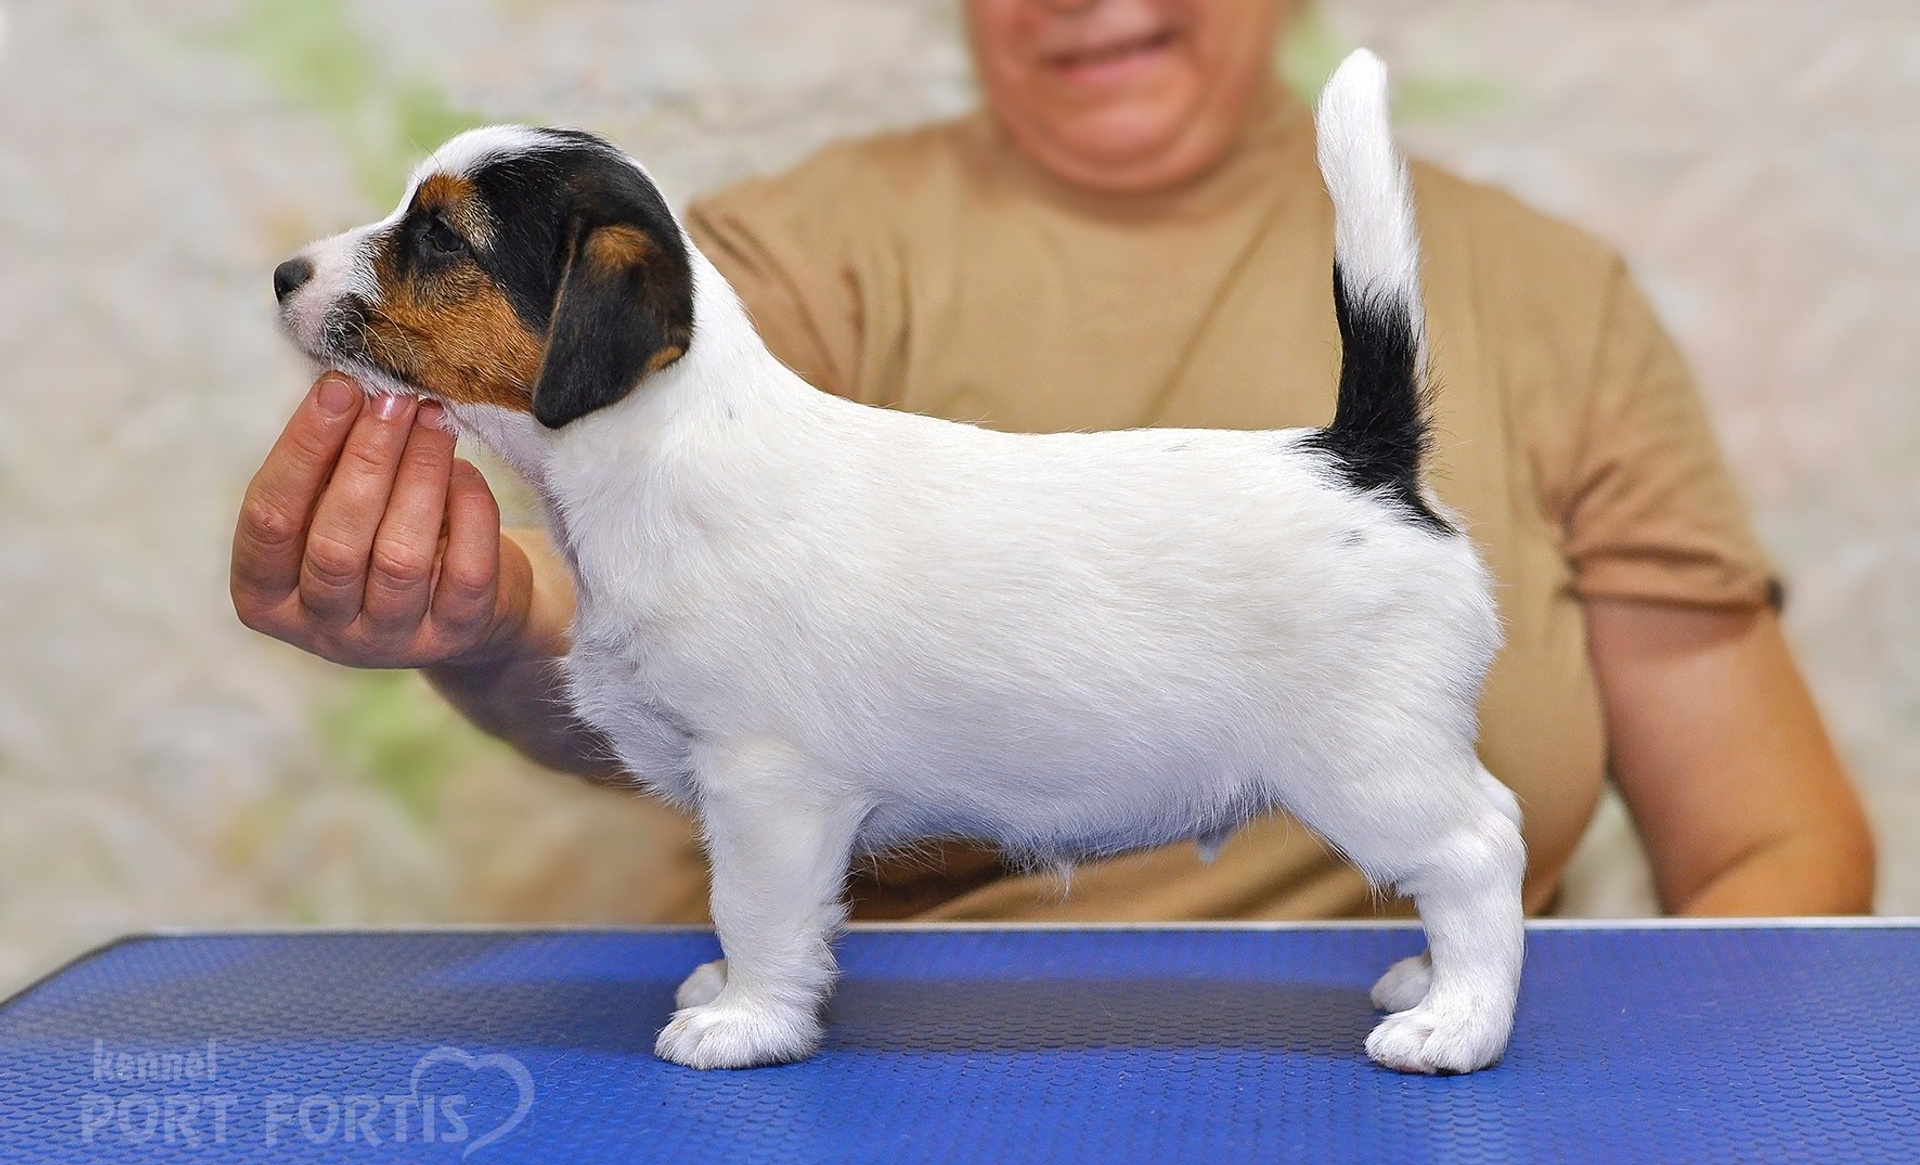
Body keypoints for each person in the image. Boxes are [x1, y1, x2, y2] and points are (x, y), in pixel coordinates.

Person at [232, 0, 1873, 921]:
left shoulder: (1554, 293)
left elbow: (1774, 842)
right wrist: (485, 628)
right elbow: (648, 642)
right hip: (901, 1060)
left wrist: (1619, 1126)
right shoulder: (750, 271)